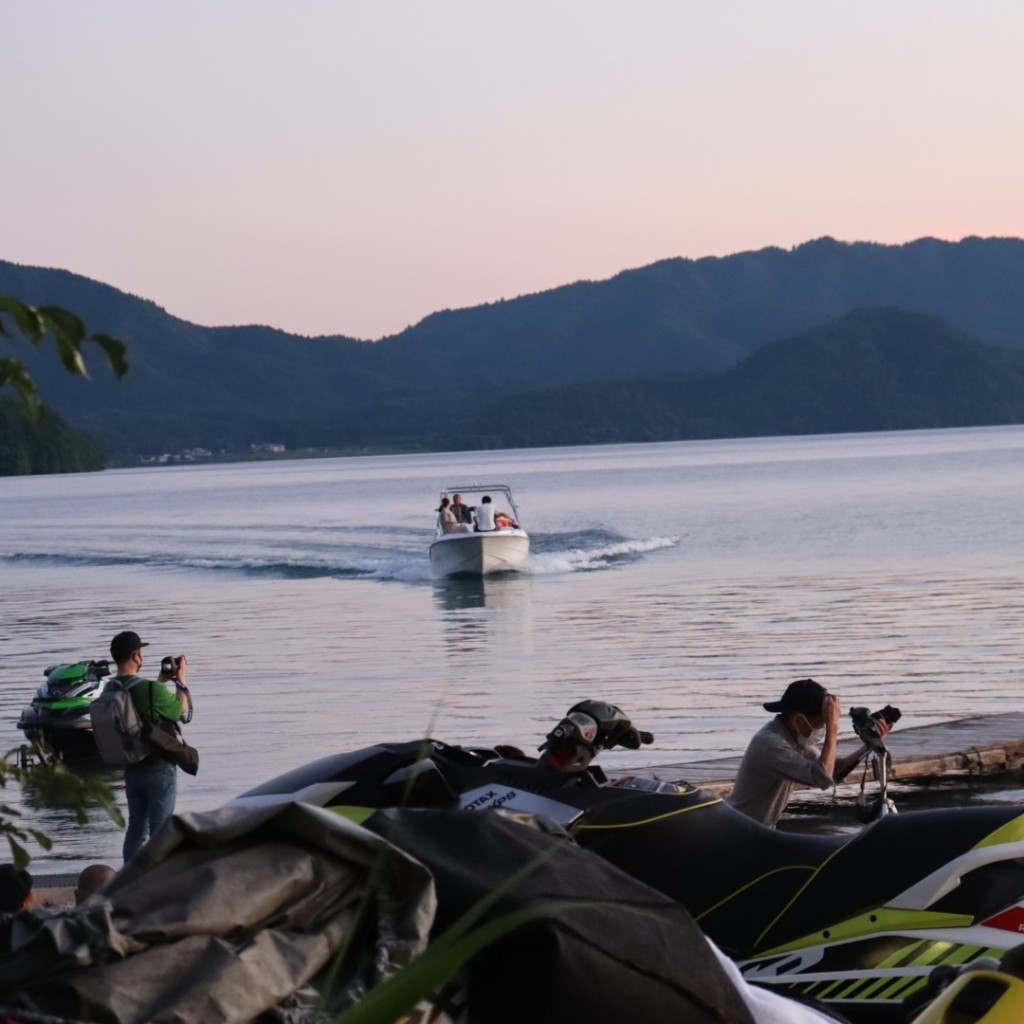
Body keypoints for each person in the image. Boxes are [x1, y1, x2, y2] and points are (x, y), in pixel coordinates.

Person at [727, 678, 891, 827]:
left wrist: (868, 746)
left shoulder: (795, 738)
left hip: (759, 828)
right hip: (737, 828)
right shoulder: (770, 743)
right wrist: (832, 729)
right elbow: (822, 778)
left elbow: (832, 772)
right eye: (820, 725)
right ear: (798, 720)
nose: (821, 730)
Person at [109, 630, 194, 861]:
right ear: (136, 656)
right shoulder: (149, 690)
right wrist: (181, 680)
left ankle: (129, 877)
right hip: (158, 768)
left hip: (131, 767)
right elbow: (180, 710)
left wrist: (160, 681)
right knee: (161, 829)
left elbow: (136, 711)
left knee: (136, 829)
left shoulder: (110, 688)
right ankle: (158, 879)